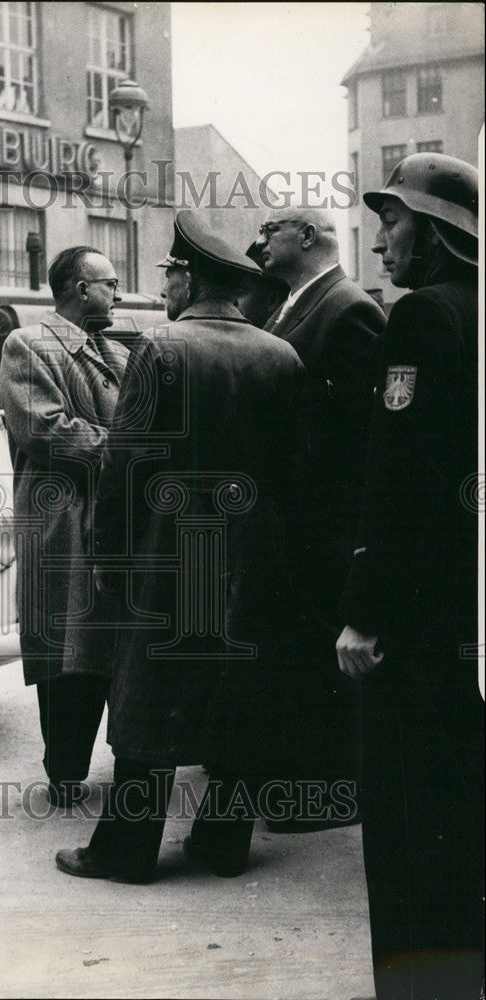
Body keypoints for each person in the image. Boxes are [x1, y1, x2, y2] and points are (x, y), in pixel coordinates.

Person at [55, 210, 306, 883]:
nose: (165, 281)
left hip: (172, 548)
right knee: (241, 693)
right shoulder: (279, 354)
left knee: (147, 699)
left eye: (170, 270)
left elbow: (125, 467)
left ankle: (125, 850)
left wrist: (109, 555)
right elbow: (293, 468)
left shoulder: (160, 350)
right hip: (256, 550)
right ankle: (223, 844)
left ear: (190, 276)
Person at [336, 153, 483, 1000]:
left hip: (422, 626)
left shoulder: (424, 317)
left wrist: (364, 612)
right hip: (474, 614)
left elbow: (399, 481)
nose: (381, 238)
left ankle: (424, 987)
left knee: (408, 821)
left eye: (392, 221)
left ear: (431, 234)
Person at [255, 206, 386, 830]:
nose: (261, 240)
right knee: (298, 657)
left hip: (322, 525)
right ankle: (300, 784)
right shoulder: (289, 304)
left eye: (270, 230)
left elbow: (356, 439)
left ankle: (330, 795)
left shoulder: (349, 307)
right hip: (292, 522)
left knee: (317, 659)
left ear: (306, 236)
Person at [0, 246, 129, 807]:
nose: (117, 294)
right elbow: (44, 430)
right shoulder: (27, 344)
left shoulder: (113, 350)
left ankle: (81, 765)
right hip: (61, 522)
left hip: (107, 516)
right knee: (65, 647)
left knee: (102, 644)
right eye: (110, 283)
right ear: (79, 288)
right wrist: (128, 449)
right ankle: (66, 771)